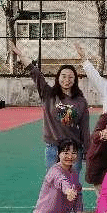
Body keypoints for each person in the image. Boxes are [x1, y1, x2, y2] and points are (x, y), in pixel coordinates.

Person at [8, 41, 89, 173]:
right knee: (53, 182)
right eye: (63, 76)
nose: (67, 79)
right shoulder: (48, 94)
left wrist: (86, 151)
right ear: (58, 78)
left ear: (75, 80)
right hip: (53, 148)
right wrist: (20, 54)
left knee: (72, 183)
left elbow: (85, 129)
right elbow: (35, 72)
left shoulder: (80, 101)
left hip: (73, 149)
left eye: (70, 77)